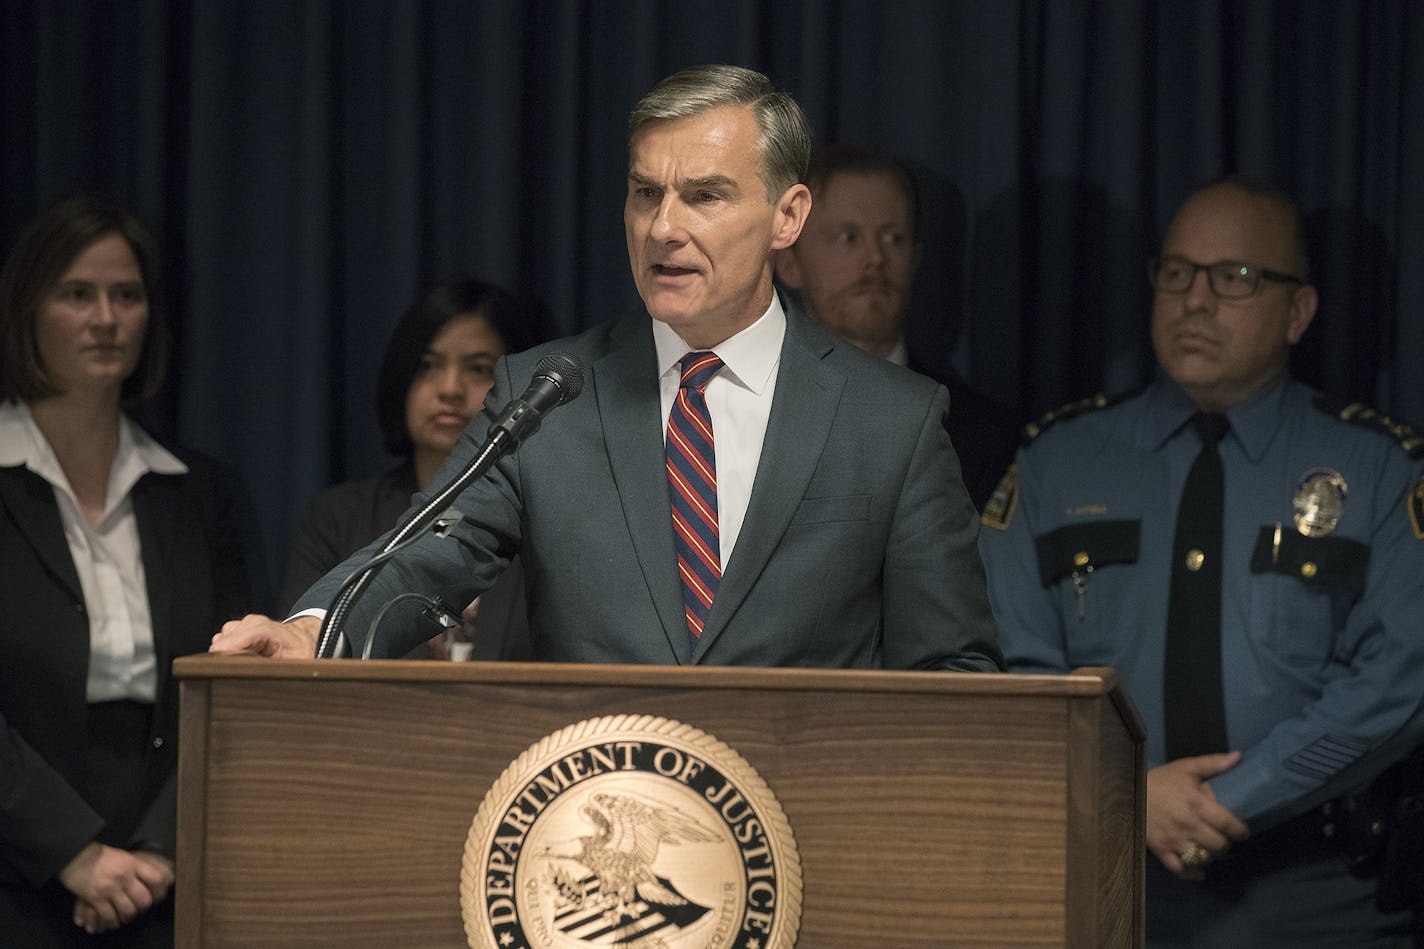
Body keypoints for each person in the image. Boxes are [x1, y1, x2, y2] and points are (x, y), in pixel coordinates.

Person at [211, 64, 1001, 674]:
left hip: (810, 846)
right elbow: (430, 552)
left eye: (704, 196)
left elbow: (953, 669)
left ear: (788, 217)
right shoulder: (547, 394)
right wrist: (310, 630)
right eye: (645, 193)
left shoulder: (892, 421)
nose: (663, 227)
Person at [978, 176, 1424, 946]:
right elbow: (998, 662)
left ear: (1300, 312)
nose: (1195, 300)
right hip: (1096, 878)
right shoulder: (1057, 460)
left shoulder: (1381, 468)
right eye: (1177, 273)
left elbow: (1397, 680)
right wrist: (1125, 796)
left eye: (1237, 278)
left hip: (1313, 898)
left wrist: (1227, 801)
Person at [0, 196, 252, 945]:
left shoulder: (201, 493)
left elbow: (235, 683)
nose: (106, 318)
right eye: (77, 294)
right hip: (13, 874)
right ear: (26, 311)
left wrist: (161, 851)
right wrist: (70, 850)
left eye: (127, 295)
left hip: (164, 880)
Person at [280, 279, 535, 660]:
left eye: (479, 368)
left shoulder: (544, 521)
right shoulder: (339, 517)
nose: (450, 388)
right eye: (427, 366)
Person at [773, 145, 1019, 509]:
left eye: (894, 239)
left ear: (915, 259)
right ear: (790, 264)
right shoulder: (741, 416)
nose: (875, 259)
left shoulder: (984, 436)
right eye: (848, 237)